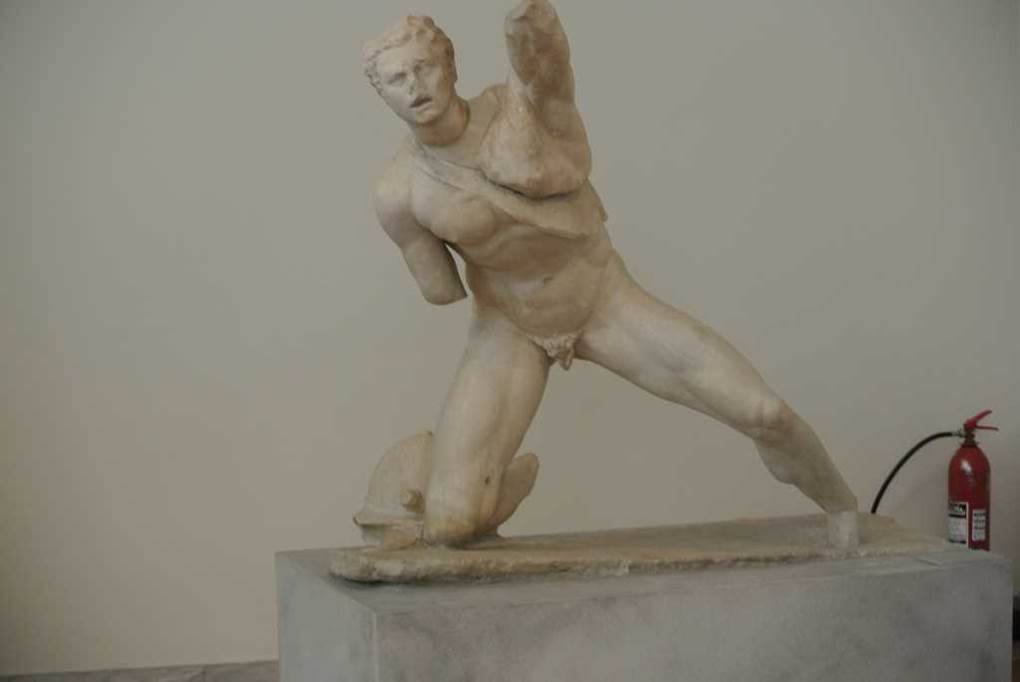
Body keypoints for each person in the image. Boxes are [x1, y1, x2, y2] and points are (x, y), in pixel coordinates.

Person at [362, 0, 859, 548]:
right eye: (397, 79)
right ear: (382, 95)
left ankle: (840, 504)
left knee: (764, 413)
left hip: (601, 299)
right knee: (451, 523)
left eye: (424, 67)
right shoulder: (398, 193)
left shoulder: (515, 107)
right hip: (509, 326)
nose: (415, 87)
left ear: (451, 64)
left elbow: (549, 66)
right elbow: (441, 290)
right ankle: (471, 481)